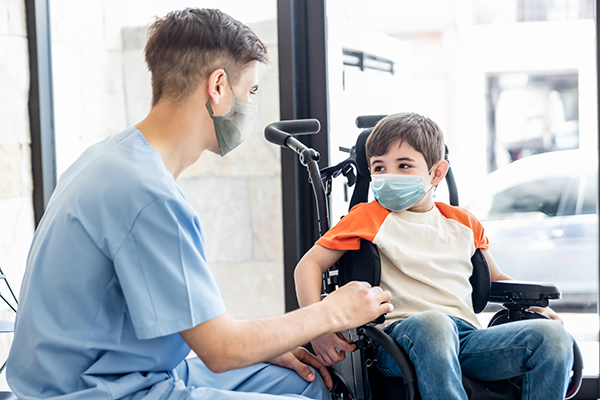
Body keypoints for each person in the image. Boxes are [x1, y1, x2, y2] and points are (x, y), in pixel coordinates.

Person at [6, 8, 393, 400]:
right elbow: (223, 350)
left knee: (301, 380)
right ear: (219, 86)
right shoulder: (148, 196)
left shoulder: (110, 157)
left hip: (128, 368)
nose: (252, 105)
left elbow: (196, 327)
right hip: (99, 391)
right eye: (252, 91)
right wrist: (332, 311)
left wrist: (266, 344)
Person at [294, 112, 575, 400]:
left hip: (466, 339)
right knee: (434, 324)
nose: (389, 175)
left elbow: (497, 279)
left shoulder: (464, 223)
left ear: (436, 172)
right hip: (397, 340)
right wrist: (318, 329)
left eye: (404, 165)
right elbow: (309, 265)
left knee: (553, 338)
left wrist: (537, 312)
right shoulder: (367, 217)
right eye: (379, 167)